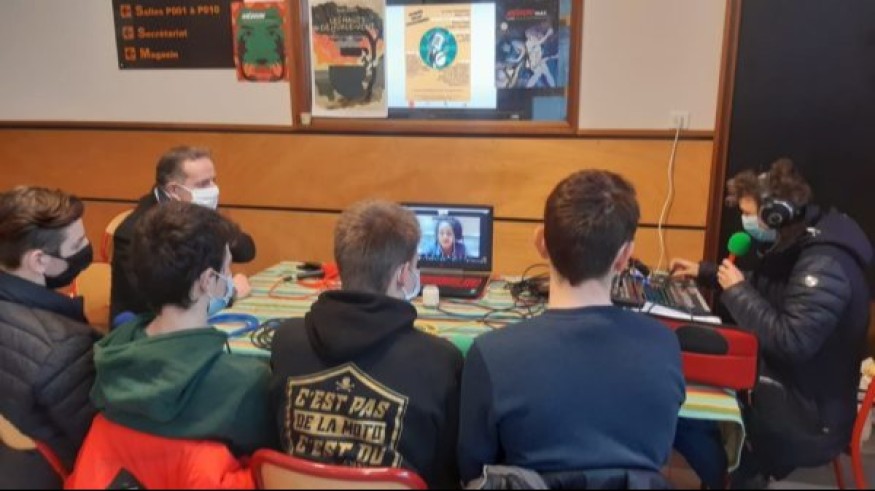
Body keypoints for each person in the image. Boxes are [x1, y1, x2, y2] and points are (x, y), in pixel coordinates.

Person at [457, 170, 685, 487]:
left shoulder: (491, 354)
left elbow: (472, 469)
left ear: (541, 242)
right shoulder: (664, 344)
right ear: (624, 257)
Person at [671, 158, 872, 487]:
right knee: (690, 391)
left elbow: (792, 341)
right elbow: (776, 291)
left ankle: (740, 477)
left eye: (749, 214)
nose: (746, 222)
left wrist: (737, 292)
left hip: (810, 418)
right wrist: (707, 273)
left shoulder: (824, 264)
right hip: (798, 389)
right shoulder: (806, 244)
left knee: (681, 410)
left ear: (776, 214)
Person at [69, 201, 274, 488]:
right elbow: (268, 459)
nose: (229, 276)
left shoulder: (108, 355)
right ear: (208, 280)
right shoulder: (246, 381)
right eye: (227, 267)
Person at [270, 200, 463, 489]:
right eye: (415, 265)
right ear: (403, 274)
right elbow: (450, 472)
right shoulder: (440, 360)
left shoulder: (286, 341)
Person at [0, 186, 98, 488]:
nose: (87, 248)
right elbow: (95, 435)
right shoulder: (63, 345)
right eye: (78, 243)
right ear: (39, 260)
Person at [110, 146, 256, 326]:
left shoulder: (193, 210)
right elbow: (156, 303)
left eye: (213, 181)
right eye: (203, 184)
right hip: (146, 330)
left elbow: (246, 251)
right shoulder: (134, 231)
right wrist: (228, 293)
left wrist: (211, 220)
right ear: (174, 190)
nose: (213, 189)